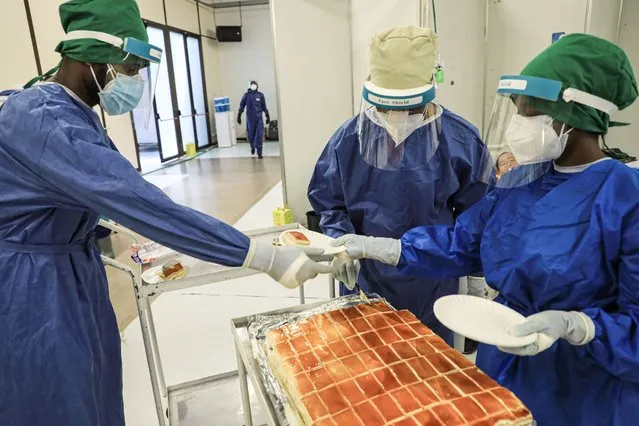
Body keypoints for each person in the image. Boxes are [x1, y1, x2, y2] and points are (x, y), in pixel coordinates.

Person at [0, 1, 330, 425]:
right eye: (130, 68)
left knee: (95, 382)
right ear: (90, 57)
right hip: (33, 285)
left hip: (69, 266)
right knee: (58, 398)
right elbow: (142, 203)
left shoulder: (71, 112)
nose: (134, 81)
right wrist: (264, 257)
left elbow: (97, 188)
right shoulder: (45, 121)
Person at [333, 34, 639, 425]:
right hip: (504, 367)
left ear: (575, 116)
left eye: (529, 113)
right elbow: (463, 243)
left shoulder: (626, 198)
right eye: (516, 110)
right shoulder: (521, 183)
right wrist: (387, 248)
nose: (518, 125)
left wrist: (579, 327)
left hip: (584, 390)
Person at [308, 26, 491, 349]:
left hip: (432, 283)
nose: (397, 118)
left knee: (430, 374)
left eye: (409, 109)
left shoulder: (460, 141)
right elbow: (330, 202)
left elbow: (477, 217)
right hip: (365, 279)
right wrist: (338, 245)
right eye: (387, 108)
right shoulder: (349, 139)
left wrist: (477, 278)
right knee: (368, 373)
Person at [237, 80, 270, 159]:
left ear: (257, 86)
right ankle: (252, 146)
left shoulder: (260, 95)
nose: (253, 86)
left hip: (259, 119)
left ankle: (259, 152)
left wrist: (267, 115)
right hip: (250, 119)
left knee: (259, 135)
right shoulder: (246, 95)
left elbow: (264, 106)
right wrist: (239, 116)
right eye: (252, 84)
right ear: (249, 86)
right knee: (251, 136)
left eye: (254, 84)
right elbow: (242, 106)